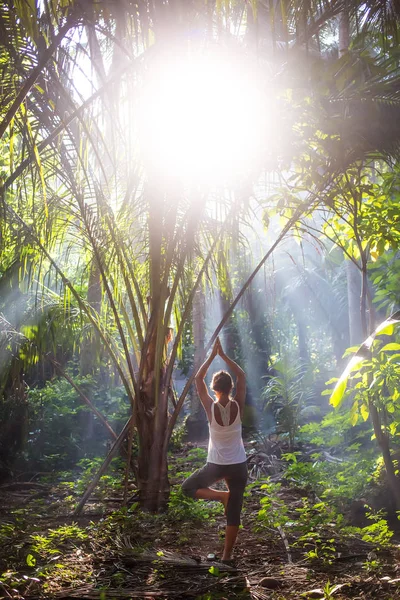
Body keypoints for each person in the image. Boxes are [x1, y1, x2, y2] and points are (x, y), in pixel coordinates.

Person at [182, 337, 248, 562]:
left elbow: (198, 377)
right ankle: (227, 556)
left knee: (188, 488)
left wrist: (212, 355)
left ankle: (221, 496)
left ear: (214, 389)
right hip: (238, 465)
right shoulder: (238, 403)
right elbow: (241, 375)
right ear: (230, 388)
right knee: (234, 511)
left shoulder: (210, 407)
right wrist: (224, 356)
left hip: (217, 465)